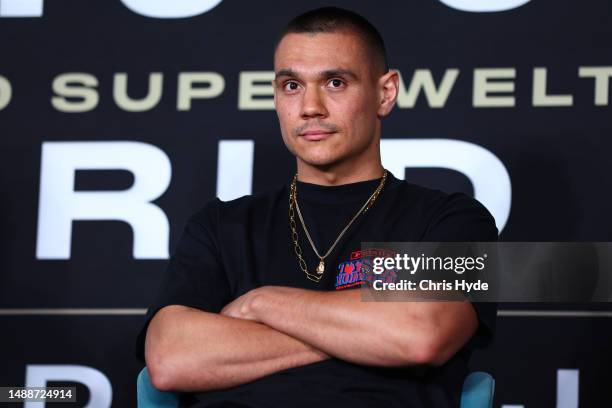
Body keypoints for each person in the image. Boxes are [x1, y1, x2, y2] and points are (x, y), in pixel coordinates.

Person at [136, 6, 498, 408]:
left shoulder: (453, 218)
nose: (310, 107)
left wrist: (261, 303)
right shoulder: (221, 225)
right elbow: (171, 359)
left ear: (386, 92)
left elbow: (420, 334)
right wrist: (368, 331)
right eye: (291, 85)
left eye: (336, 82)